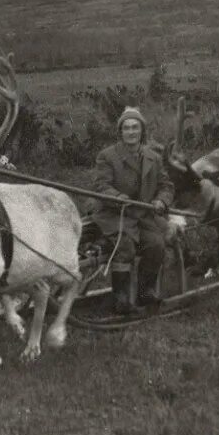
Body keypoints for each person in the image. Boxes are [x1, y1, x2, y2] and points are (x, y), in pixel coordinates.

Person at [92, 107, 175, 314]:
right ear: (120, 132)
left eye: (135, 127)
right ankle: (120, 298)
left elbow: (166, 185)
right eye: (126, 128)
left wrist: (161, 202)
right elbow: (101, 186)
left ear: (142, 131)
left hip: (142, 215)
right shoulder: (107, 156)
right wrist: (118, 198)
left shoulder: (153, 157)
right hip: (114, 214)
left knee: (156, 245)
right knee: (125, 245)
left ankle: (144, 292)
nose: (131, 132)